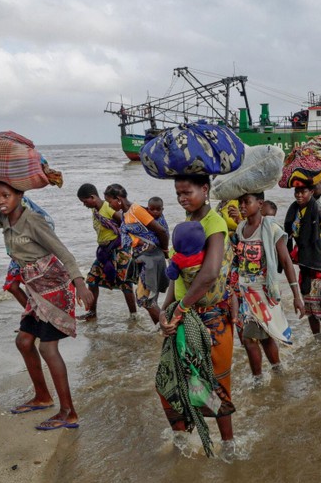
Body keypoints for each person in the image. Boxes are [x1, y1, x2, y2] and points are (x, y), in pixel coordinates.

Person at [0, 146, 93, 430]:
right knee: (24, 341)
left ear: (20, 196)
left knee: (49, 349)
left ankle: (69, 412)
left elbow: (63, 252)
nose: (0, 201)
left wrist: (80, 284)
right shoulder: (3, 218)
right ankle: (43, 397)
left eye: (6, 196)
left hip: (54, 287)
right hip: (34, 288)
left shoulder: (33, 220)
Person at [159, 173, 237, 458]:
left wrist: (180, 310)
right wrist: (165, 311)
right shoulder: (185, 223)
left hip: (210, 317)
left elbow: (209, 273)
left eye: (187, 192)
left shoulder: (214, 224)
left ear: (205, 189)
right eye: (178, 192)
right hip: (182, 314)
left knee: (214, 385)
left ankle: (228, 444)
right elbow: (176, 272)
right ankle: (182, 440)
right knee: (173, 380)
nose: (182, 198)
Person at [230, 192, 305, 381]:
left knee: (248, 338)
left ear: (260, 203)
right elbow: (238, 261)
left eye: (246, 202)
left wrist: (297, 296)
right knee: (264, 336)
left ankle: (258, 380)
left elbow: (286, 262)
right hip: (243, 292)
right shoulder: (240, 228)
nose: (242, 206)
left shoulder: (272, 228)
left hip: (263, 292)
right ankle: (278, 370)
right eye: (240, 202)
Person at [104, 184, 169, 325]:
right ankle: (161, 331)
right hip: (145, 259)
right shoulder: (127, 214)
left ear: (119, 199)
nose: (110, 206)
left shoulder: (136, 210)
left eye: (110, 202)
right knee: (149, 300)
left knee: (145, 300)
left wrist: (165, 251)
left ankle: (168, 331)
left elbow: (161, 231)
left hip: (152, 257)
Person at [285, 184, 321, 341]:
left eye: (303, 191)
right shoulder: (294, 211)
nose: (299, 195)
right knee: (308, 307)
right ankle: (317, 338)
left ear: (311, 192)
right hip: (304, 265)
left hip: (317, 266)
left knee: (318, 307)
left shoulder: (319, 213)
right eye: (297, 191)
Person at [76, 183, 137, 320]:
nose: (84, 205)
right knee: (92, 279)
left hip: (120, 249)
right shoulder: (95, 210)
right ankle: (92, 313)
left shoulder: (108, 208)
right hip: (105, 252)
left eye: (85, 201)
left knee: (125, 283)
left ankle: (133, 316)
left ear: (92, 197)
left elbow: (125, 224)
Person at [3, 196, 56, 309]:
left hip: (29, 252)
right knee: (13, 285)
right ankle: (35, 314)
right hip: (19, 253)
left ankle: (39, 315)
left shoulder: (17, 201)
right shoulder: (5, 200)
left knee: (34, 286)